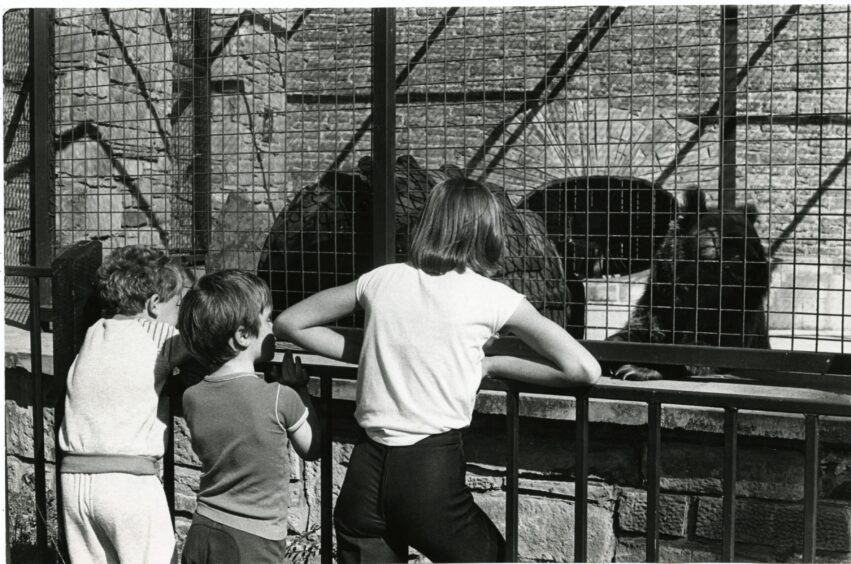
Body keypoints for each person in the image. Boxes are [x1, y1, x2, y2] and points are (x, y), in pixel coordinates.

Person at [275, 177, 601, 563]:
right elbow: (584, 369)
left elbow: (290, 323)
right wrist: (494, 363)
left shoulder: (382, 279)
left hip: (363, 476)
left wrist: (378, 352)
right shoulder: (495, 297)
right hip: (428, 476)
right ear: (487, 231)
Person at [59, 244, 194, 564]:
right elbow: (209, 339)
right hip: (126, 483)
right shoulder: (158, 334)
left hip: (75, 482)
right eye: (176, 304)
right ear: (153, 304)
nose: (178, 314)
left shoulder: (95, 332)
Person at [178, 270, 321, 564]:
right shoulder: (280, 397)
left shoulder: (192, 397)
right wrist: (300, 389)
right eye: (268, 319)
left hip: (203, 528)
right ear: (243, 335)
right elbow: (312, 447)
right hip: (253, 540)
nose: (274, 328)